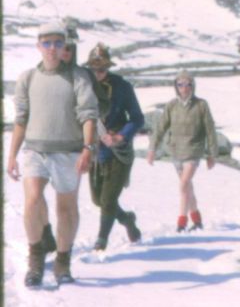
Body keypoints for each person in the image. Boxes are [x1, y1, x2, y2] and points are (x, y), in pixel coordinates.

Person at [9, 22, 98, 287]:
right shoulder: (27, 78)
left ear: (64, 47)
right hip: (35, 150)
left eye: (58, 43)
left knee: (65, 208)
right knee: (33, 200)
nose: (52, 49)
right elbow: (21, 119)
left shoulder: (78, 77)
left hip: (68, 153)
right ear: (38, 46)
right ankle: (35, 260)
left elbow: (89, 116)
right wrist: (12, 155)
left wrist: (88, 148)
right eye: (46, 43)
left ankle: (62, 262)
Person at [85, 44, 144, 251]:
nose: (98, 72)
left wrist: (121, 135)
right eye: (94, 68)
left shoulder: (122, 87)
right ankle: (127, 219)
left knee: (108, 200)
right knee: (98, 199)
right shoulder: (83, 87)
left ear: (108, 68)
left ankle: (101, 241)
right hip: (95, 151)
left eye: (102, 69)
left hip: (119, 152)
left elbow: (137, 118)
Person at [147, 70, 217, 232]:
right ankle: (197, 220)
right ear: (176, 86)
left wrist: (211, 154)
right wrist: (152, 148)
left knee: (184, 183)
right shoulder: (171, 105)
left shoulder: (201, 105)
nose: (184, 88)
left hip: (194, 150)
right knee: (187, 187)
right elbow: (160, 127)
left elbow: (210, 130)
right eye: (180, 84)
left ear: (193, 86)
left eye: (188, 84)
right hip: (176, 150)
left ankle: (181, 222)